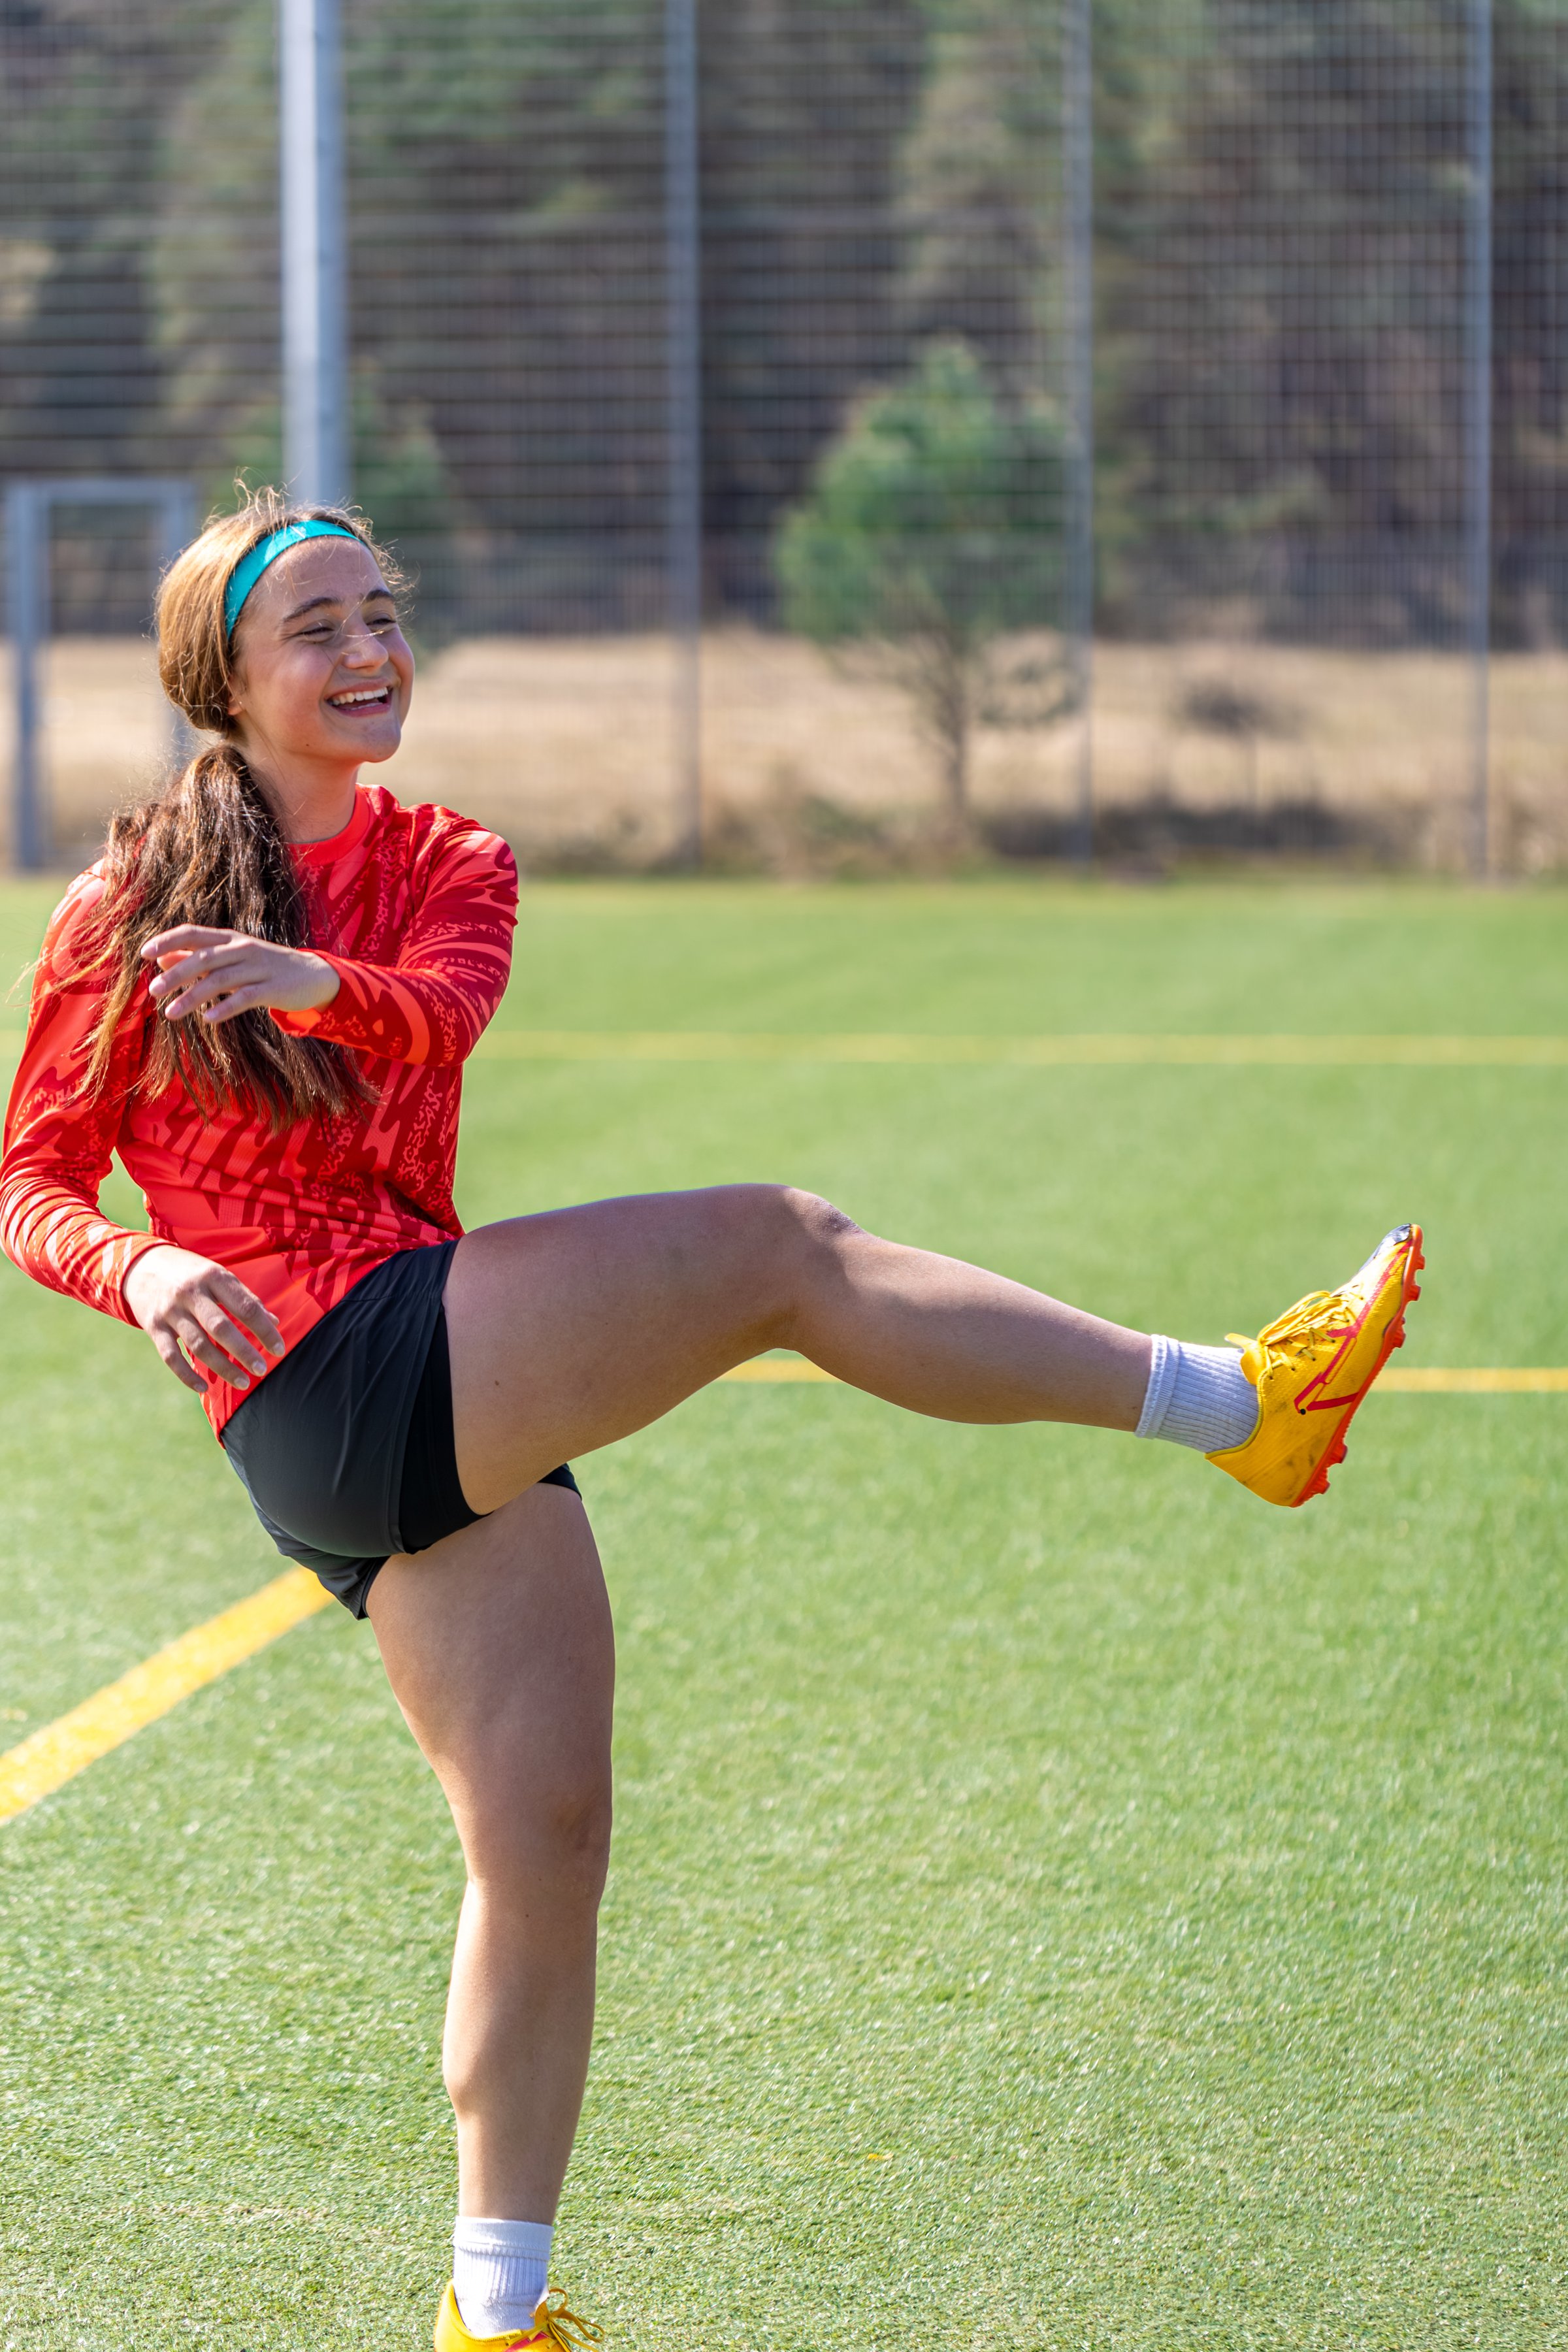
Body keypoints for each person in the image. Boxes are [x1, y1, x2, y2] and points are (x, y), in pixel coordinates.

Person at [0, 491, 1422, 2352]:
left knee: (547, 1839)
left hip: (414, 1383)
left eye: (382, 613)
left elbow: (440, 1014)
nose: (368, 652)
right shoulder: (124, 903)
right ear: (226, 678)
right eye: (318, 629)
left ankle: (495, 2307)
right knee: (778, 1248)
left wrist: (312, 980)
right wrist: (135, 1269)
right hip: (321, 1365)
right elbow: (33, 1180)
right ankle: (1242, 1401)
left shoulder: (452, 857)